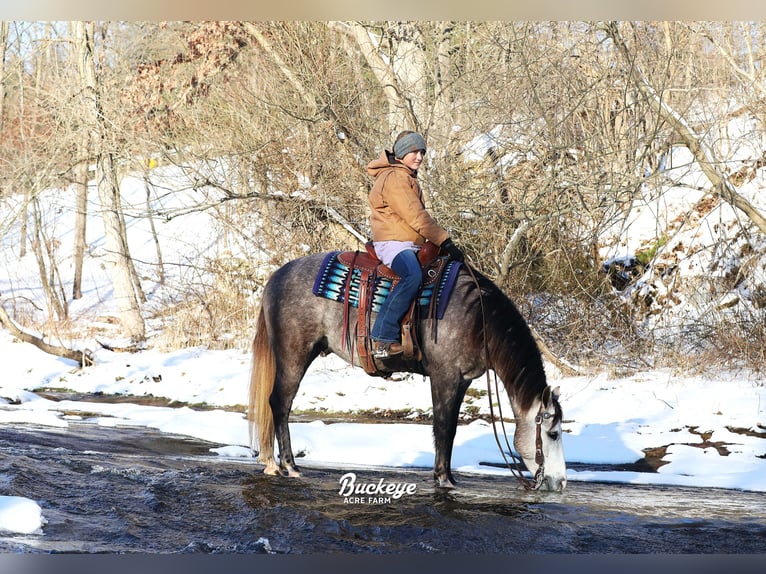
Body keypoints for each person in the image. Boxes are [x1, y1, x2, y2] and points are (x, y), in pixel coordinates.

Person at [366, 130, 464, 359]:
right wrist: (444, 240)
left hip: (408, 242)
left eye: (422, 152)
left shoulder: (405, 176)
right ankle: (382, 337)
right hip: (394, 243)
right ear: (401, 153)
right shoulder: (395, 178)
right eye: (414, 151)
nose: (419, 156)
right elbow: (416, 216)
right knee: (412, 276)